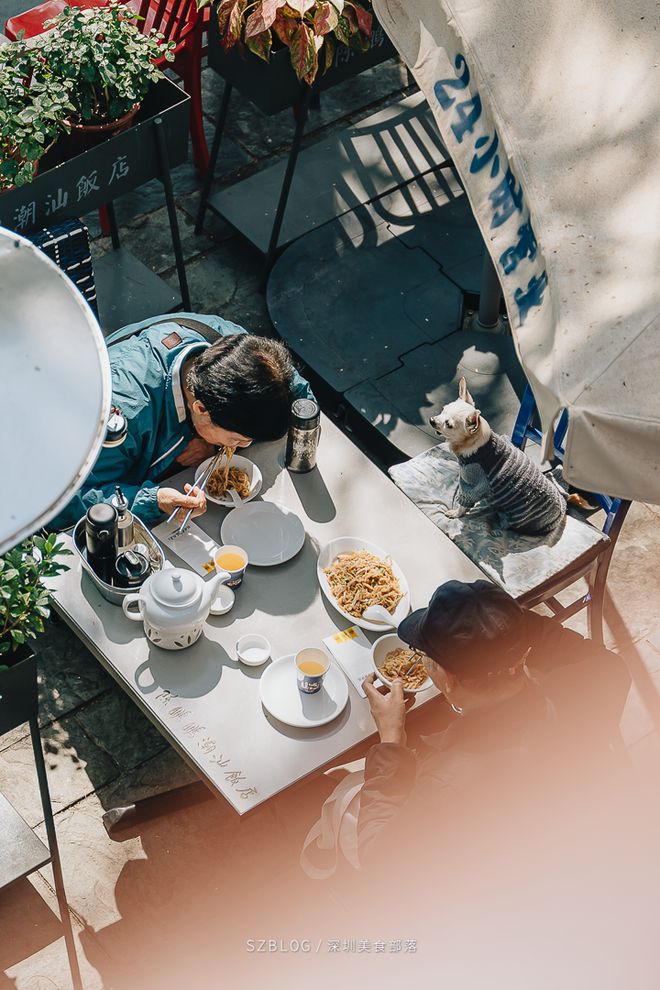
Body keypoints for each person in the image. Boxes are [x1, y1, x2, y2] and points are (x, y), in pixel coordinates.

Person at [52, 312, 313, 529]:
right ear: (200, 408)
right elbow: (64, 501)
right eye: (237, 440)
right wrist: (154, 500)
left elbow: (300, 396)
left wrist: (212, 444)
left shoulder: (236, 350)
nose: (244, 445)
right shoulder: (121, 414)